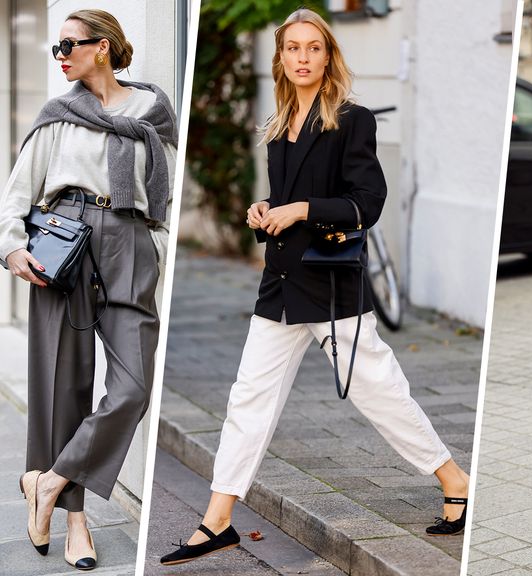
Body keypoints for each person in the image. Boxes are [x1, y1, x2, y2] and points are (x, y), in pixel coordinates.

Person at [159, 8, 470, 566]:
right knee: (246, 400)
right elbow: (284, 200)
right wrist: (265, 211)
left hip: (330, 285)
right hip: (280, 284)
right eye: (293, 48)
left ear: (329, 57)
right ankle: (217, 520)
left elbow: (366, 204)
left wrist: (302, 209)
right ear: (281, 57)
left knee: (381, 392)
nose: (302, 58)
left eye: (313, 48)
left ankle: (455, 479)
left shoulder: (353, 119)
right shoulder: (279, 124)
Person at [0, 9, 177, 571]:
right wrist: (11, 247)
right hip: (64, 242)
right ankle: (76, 521)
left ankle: (48, 480)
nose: (60, 55)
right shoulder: (58, 117)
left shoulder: (153, 115)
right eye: (56, 47)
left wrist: (159, 250)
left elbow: (165, 196)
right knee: (63, 389)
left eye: (69, 44)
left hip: (129, 242)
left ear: (103, 47)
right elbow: (19, 191)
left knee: (133, 387)